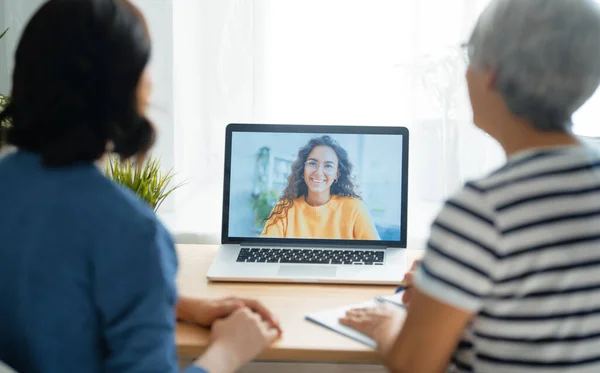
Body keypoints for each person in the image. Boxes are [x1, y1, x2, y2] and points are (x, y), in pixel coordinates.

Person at [0, 1, 281, 373]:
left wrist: (179, 303)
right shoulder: (130, 231)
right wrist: (229, 351)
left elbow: (56, 293)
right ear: (123, 86)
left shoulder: (9, 184)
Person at [339, 0, 600, 372]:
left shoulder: (483, 209)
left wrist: (389, 324)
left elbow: (414, 365)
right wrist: (451, 282)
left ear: (489, 72)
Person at [261, 135, 380, 240]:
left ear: (337, 174)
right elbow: (266, 249)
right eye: (312, 163)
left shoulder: (355, 208)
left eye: (328, 166)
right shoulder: (284, 209)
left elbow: (374, 250)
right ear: (303, 169)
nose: (318, 172)